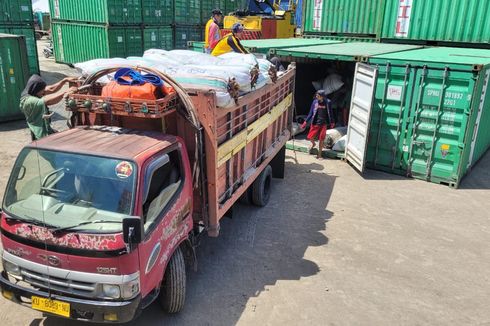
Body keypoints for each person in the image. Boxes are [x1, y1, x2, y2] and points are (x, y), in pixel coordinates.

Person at [20, 75, 78, 141]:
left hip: (46, 128)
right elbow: (48, 101)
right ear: (36, 89)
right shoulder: (28, 101)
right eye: (42, 91)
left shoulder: (33, 90)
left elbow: (51, 89)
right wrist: (65, 92)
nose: (43, 92)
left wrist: (64, 80)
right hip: (40, 134)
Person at [301, 90, 335, 159]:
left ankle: (319, 155)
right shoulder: (314, 102)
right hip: (315, 122)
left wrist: (332, 122)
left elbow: (331, 113)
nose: (316, 97)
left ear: (322, 97)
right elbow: (310, 113)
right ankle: (313, 144)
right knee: (310, 137)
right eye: (316, 95)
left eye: (318, 96)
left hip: (323, 124)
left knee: (321, 139)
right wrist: (305, 122)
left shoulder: (328, 102)